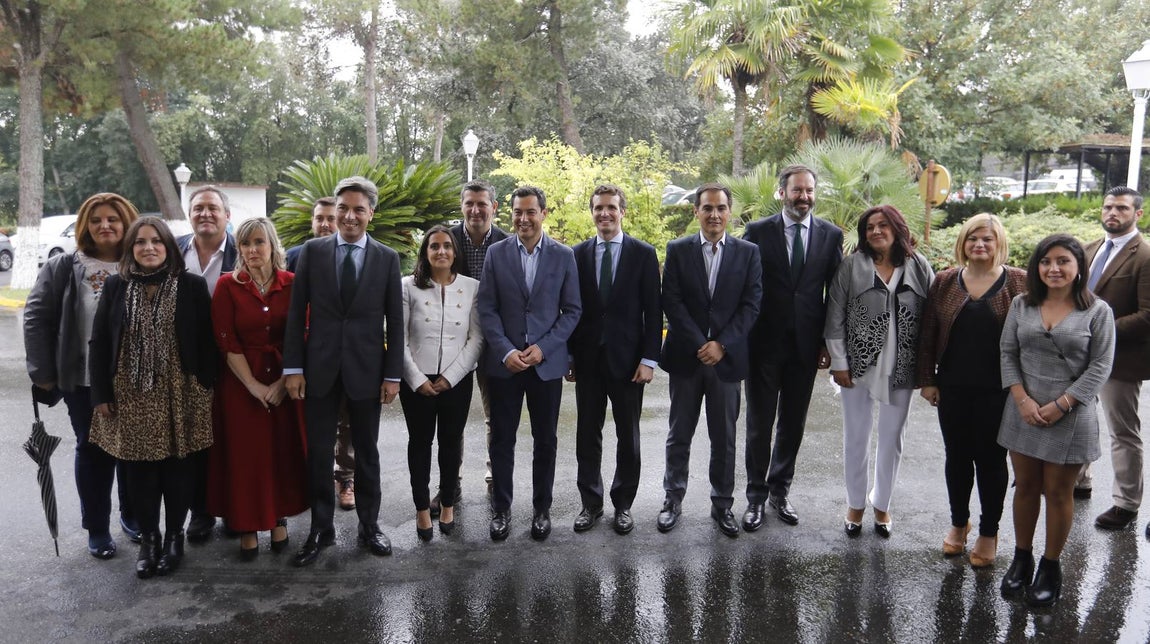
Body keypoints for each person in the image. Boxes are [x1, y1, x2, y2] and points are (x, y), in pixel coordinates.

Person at [284, 176, 404, 567]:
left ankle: (370, 527)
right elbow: (294, 316)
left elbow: (395, 322)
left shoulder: (386, 258)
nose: (349, 216)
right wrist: (294, 368)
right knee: (318, 454)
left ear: (371, 213)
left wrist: (392, 376)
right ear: (333, 212)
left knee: (367, 454)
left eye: (358, 209)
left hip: (367, 372)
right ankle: (321, 530)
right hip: (318, 370)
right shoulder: (312, 254)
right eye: (343, 209)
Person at [88, 217, 217, 579]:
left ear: (168, 248)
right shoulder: (116, 286)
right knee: (139, 472)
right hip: (130, 393)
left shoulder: (190, 286)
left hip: (181, 391)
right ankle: (149, 540)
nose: (149, 248)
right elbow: (99, 342)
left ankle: (175, 537)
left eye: (156, 242)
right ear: (131, 249)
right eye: (141, 242)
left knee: (179, 468)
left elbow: (208, 341)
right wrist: (100, 393)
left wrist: (206, 385)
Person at [997, 234, 1114, 608]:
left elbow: (1101, 366)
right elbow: (1007, 352)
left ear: (1079, 267)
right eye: (1046, 262)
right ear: (1037, 267)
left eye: (1063, 261)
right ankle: (1021, 557)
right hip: (1023, 412)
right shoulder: (1022, 304)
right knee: (1026, 487)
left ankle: (1050, 567)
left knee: (1059, 493)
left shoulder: (1098, 311)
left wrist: (1063, 403)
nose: (1054, 269)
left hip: (1072, 415)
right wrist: (1022, 399)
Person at [24, 193, 140, 559]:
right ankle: (98, 527)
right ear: (85, 226)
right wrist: (43, 373)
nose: (104, 225)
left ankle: (133, 516)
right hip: (84, 378)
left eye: (113, 219)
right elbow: (36, 317)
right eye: (96, 219)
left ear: (126, 223)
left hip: (136, 379)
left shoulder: (141, 260)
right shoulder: (64, 266)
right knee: (93, 450)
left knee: (134, 450)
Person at [917, 213, 1026, 567]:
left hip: (1000, 391)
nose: (979, 245)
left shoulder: (1019, 283)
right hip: (953, 388)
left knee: (992, 462)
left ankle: (988, 532)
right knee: (958, 459)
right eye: (973, 239)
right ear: (963, 243)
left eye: (987, 239)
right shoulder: (946, 281)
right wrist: (928, 380)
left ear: (999, 244)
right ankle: (957, 523)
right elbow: (928, 333)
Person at [657, 183, 762, 539]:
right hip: (687, 357)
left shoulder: (748, 253)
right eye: (707, 208)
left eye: (720, 208)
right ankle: (672, 499)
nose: (714, 215)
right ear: (696, 212)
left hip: (727, 362)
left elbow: (751, 305)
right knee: (678, 434)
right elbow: (671, 301)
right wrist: (702, 343)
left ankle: (722, 504)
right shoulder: (678, 250)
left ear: (729, 212)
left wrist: (722, 344)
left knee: (725, 437)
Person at [741, 164, 843, 531]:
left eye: (809, 191)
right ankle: (754, 497)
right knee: (758, 424)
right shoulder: (756, 231)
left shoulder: (831, 236)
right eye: (797, 190)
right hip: (763, 344)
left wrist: (828, 344)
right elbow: (746, 287)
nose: (804, 196)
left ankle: (779, 492)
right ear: (781, 192)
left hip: (806, 345)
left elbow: (835, 296)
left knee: (792, 424)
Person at [477, 185, 581, 542]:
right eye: (517, 212)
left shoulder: (564, 256)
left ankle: (541, 510)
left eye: (530, 212)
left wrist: (544, 348)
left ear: (543, 214)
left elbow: (572, 311)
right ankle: (502, 510)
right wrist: (506, 350)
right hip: (505, 365)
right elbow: (486, 308)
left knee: (545, 441)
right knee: (502, 440)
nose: (523, 219)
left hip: (545, 365)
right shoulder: (496, 253)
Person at [825, 205, 934, 539]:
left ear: (897, 227)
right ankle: (855, 504)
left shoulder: (918, 266)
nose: (875, 231)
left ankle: (882, 503)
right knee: (856, 438)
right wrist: (839, 363)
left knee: (892, 440)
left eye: (883, 225)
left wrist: (928, 372)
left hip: (902, 367)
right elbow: (834, 317)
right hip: (857, 368)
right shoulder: (851, 266)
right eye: (869, 227)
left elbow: (931, 322)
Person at [206, 218, 309, 560]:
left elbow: (304, 333)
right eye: (245, 244)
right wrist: (252, 386)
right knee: (246, 457)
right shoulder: (227, 285)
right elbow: (226, 340)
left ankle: (277, 517)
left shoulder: (293, 284)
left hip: (285, 378)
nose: (252, 250)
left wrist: (282, 383)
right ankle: (247, 525)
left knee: (279, 452)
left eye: (259, 242)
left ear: (272, 246)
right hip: (240, 384)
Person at [567, 185, 662, 535]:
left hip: (628, 362)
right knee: (587, 435)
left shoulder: (643, 254)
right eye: (598, 208)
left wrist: (649, 359)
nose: (604, 214)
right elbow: (570, 309)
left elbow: (653, 311)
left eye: (611, 208)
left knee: (628, 436)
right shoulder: (576, 254)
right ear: (591, 212)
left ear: (623, 212)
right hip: (588, 360)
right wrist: (569, 356)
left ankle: (623, 504)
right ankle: (590, 504)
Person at [399, 225, 484, 541]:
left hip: (456, 380)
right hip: (417, 381)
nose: (441, 251)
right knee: (419, 445)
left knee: (450, 443)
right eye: (434, 246)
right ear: (426, 253)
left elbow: (477, 338)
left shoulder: (471, 287)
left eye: (447, 246)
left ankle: (447, 502)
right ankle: (422, 508)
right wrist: (417, 379)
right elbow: (399, 338)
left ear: (455, 252)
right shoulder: (407, 286)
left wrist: (451, 377)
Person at [1077, 187, 1150, 532]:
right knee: (1078, 419)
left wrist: (1096, 331)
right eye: (1107, 207)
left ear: (1138, 213)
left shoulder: (1145, 255)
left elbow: (1148, 315)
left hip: (1120, 358)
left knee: (1123, 431)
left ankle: (1126, 503)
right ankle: (1080, 479)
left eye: (1121, 208)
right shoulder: (1089, 249)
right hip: (1078, 354)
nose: (1112, 213)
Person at [286, 197, 357, 513]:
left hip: (352, 357)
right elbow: (289, 312)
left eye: (331, 217)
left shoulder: (358, 256)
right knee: (316, 428)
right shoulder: (296, 257)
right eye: (320, 218)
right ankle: (315, 485)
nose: (326, 223)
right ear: (312, 222)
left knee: (349, 425)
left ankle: (346, 478)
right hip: (312, 356)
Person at [443, 180, 509, 513]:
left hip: (495, 342)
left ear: (493, 207)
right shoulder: (446, 241)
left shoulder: (507, 244)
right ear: (462, 206)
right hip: (453, 341)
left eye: (482, 203)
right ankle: (450, 485)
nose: (475, 209)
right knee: (452, 418)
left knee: (494, 416)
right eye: (469, 203)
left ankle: (495, 478)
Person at [176, 186, 238, 543]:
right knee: (195, 441)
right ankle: (200, 512)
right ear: (189, 215)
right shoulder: (174, 252)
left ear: (227, 216)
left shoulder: (241, 250)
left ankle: (232, 508)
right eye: (198, 208)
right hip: (184, 363)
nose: (205, 214)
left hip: (234, 362)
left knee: (231, 440)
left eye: (213, 208)